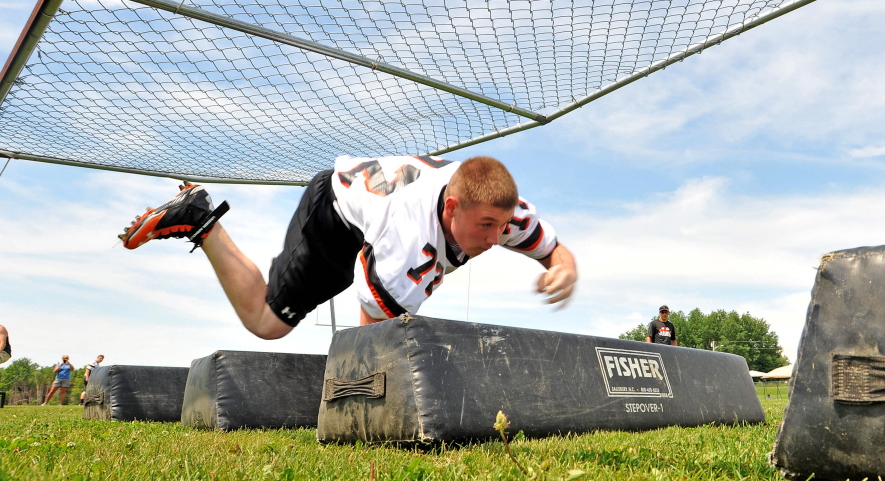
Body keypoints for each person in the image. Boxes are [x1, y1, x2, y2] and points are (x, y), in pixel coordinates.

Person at [120, 155, 577, 339]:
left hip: (374, 216)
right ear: (452, 207)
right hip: (335, 213)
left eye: (503, 227)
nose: (496, 240)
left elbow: (556, 249)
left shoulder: (499, 207)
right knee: (267, 323)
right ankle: (200, 217)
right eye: (485, 227)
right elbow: (370, 339)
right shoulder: (408, 239)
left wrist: (563, 268)